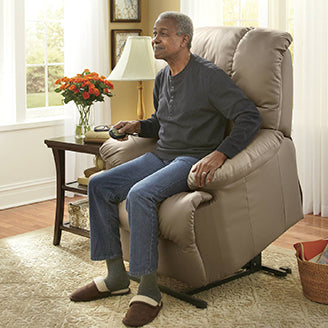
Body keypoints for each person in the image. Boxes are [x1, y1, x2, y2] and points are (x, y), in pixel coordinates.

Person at [70, 11, 262, 327]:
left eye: (163, 33)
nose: (155, 40)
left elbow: (249, 117)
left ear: (183, 39)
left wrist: (220, 154)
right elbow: (162, 122)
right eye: (155, 33)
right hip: (162, 155)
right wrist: (137, 125)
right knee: (99, 185)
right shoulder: (162, 77)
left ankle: (148, 291)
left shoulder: (209, 77)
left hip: (190, 159)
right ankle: (116, 276)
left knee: (140, 194)